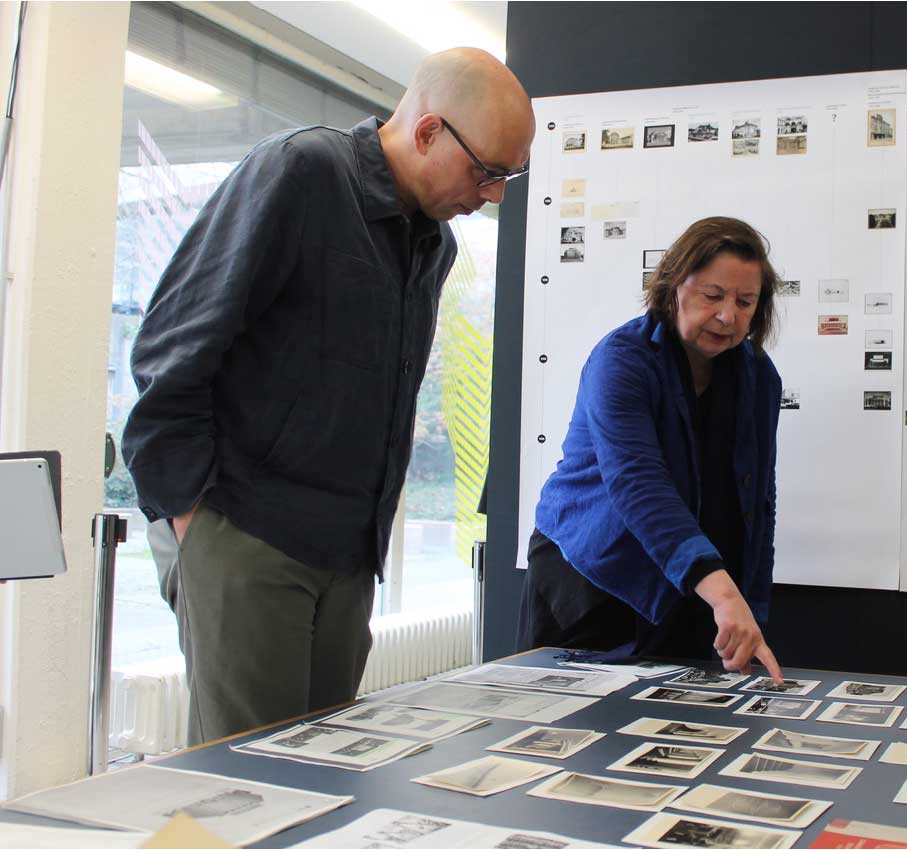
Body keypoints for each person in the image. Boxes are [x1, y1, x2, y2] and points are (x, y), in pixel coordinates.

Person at [122, 48, 535, 745]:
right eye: (487, 171)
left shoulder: (432, 244)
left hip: (347, 554)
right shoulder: (302, 173)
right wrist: (196, 521)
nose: (493, 195)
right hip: (246, 533)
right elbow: (172, 347)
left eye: (508, 177)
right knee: (248, 780)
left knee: (322, 771)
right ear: (428, 131)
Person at [518, 217, 784, 681]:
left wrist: (749, 606)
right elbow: (639, 485)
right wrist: (725, 596)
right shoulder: (621, 360)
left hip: (691, 582)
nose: (728, 316)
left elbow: (759, 501)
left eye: (745, 302)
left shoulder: (759, 376)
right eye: (713, 295)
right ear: (673, 285)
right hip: (594, 576)